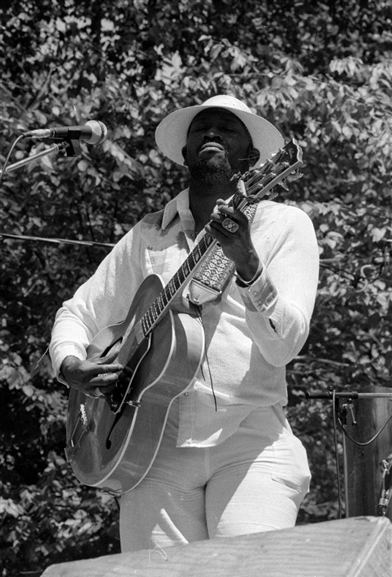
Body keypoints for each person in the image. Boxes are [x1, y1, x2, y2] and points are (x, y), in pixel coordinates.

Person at [49, 95, 319, 553]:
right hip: (152, 447)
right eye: (201, 129)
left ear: (252, 159)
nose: (211, 134)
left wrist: (248, 263)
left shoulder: (283, 225)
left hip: (250, 440)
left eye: (226, 129)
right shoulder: (149, 235)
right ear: (187, 152)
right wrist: (71, 364)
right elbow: (77, 313)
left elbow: (284, 346)